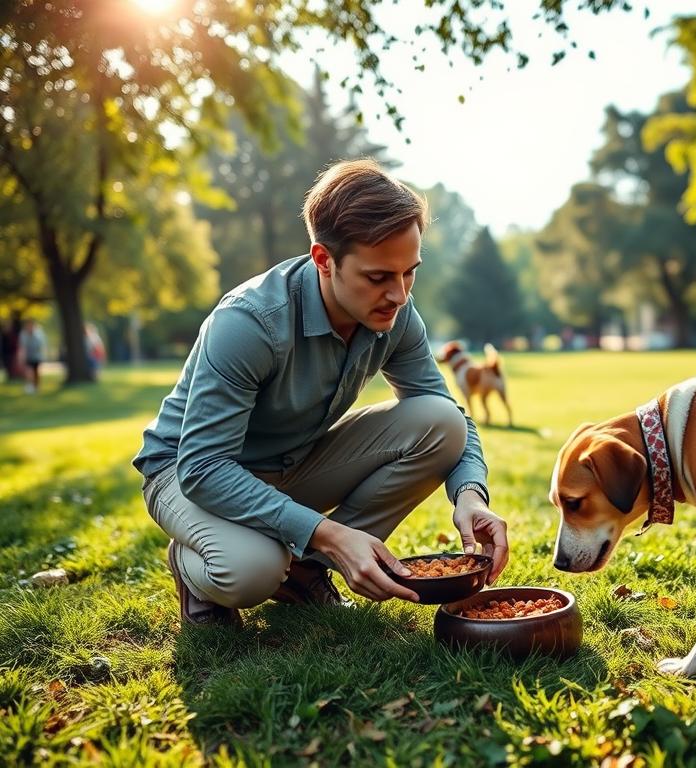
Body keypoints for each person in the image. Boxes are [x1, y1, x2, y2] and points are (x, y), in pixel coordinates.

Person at [133, 159, 509, 628]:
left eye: (409, 272)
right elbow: (204, 467)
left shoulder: (397, 313)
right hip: (189, 472)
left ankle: (305, 571)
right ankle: (196, 564)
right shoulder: (249, 323)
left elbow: (450, 415)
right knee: (251, 570)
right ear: (323, 260)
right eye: (378, 277)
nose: (398, 294)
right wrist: (327, 532)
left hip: (290, 463)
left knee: (442, 422)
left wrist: (470, 496)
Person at [18, 318, 46, 394]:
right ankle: (30, 386)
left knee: (36, 372)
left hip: (37, 356)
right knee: (29, 372)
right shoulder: (23, 334)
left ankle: (36, 387)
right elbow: (22, 346)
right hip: (28, 356)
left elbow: (41, 345)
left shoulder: (39, 333)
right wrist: (21, 357)